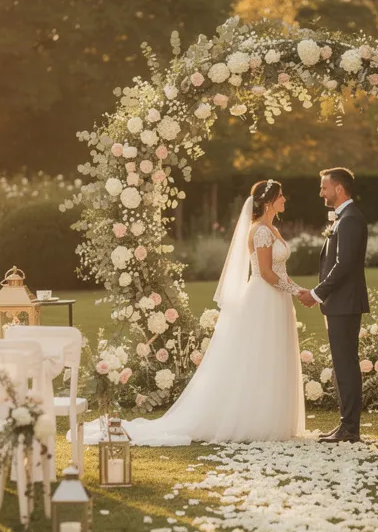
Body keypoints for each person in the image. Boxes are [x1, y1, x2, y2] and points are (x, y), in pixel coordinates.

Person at [103, 180, 307, 445]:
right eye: (281, 196)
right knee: (259, 356)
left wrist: (294, 290)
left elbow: (279, 270)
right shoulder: (260, 232)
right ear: (269, 202)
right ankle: (255, 420)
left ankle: (272, 417)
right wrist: (297, 291)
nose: (285, 199)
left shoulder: (273, 229)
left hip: (277, 299)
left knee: (273, 355)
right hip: (263, 298)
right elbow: (267, 273)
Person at [296, 167, 369, 443]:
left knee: (345, 365)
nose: (321, 192)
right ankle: (346, 425)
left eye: (324, 187)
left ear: (339, 189)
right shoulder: (343, 218)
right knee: (342, 365)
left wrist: (316, 293)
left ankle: (350, 428)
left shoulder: (350, 219)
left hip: (344, 304)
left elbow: (344, 265)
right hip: (339, 303)